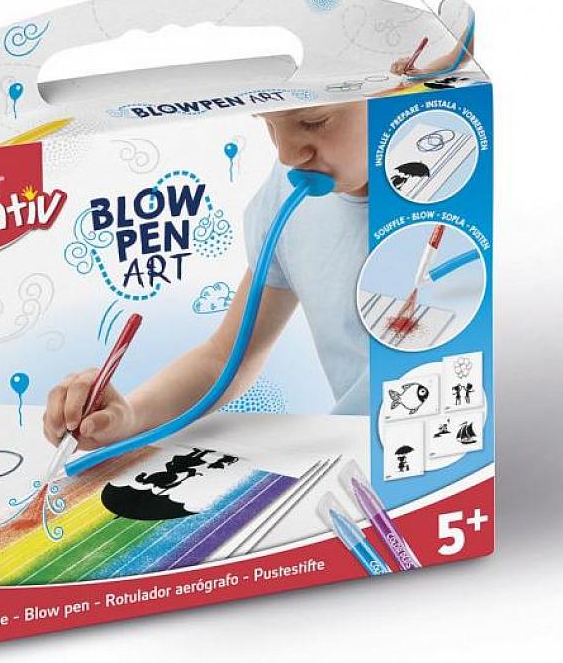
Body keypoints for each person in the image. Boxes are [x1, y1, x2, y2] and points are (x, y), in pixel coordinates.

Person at [44, 100, 370, 454]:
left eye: (314, 121)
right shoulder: (287, 194)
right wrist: (129, 416)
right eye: (269, 124)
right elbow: (226, 356)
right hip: (358, 457)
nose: (287, 155)